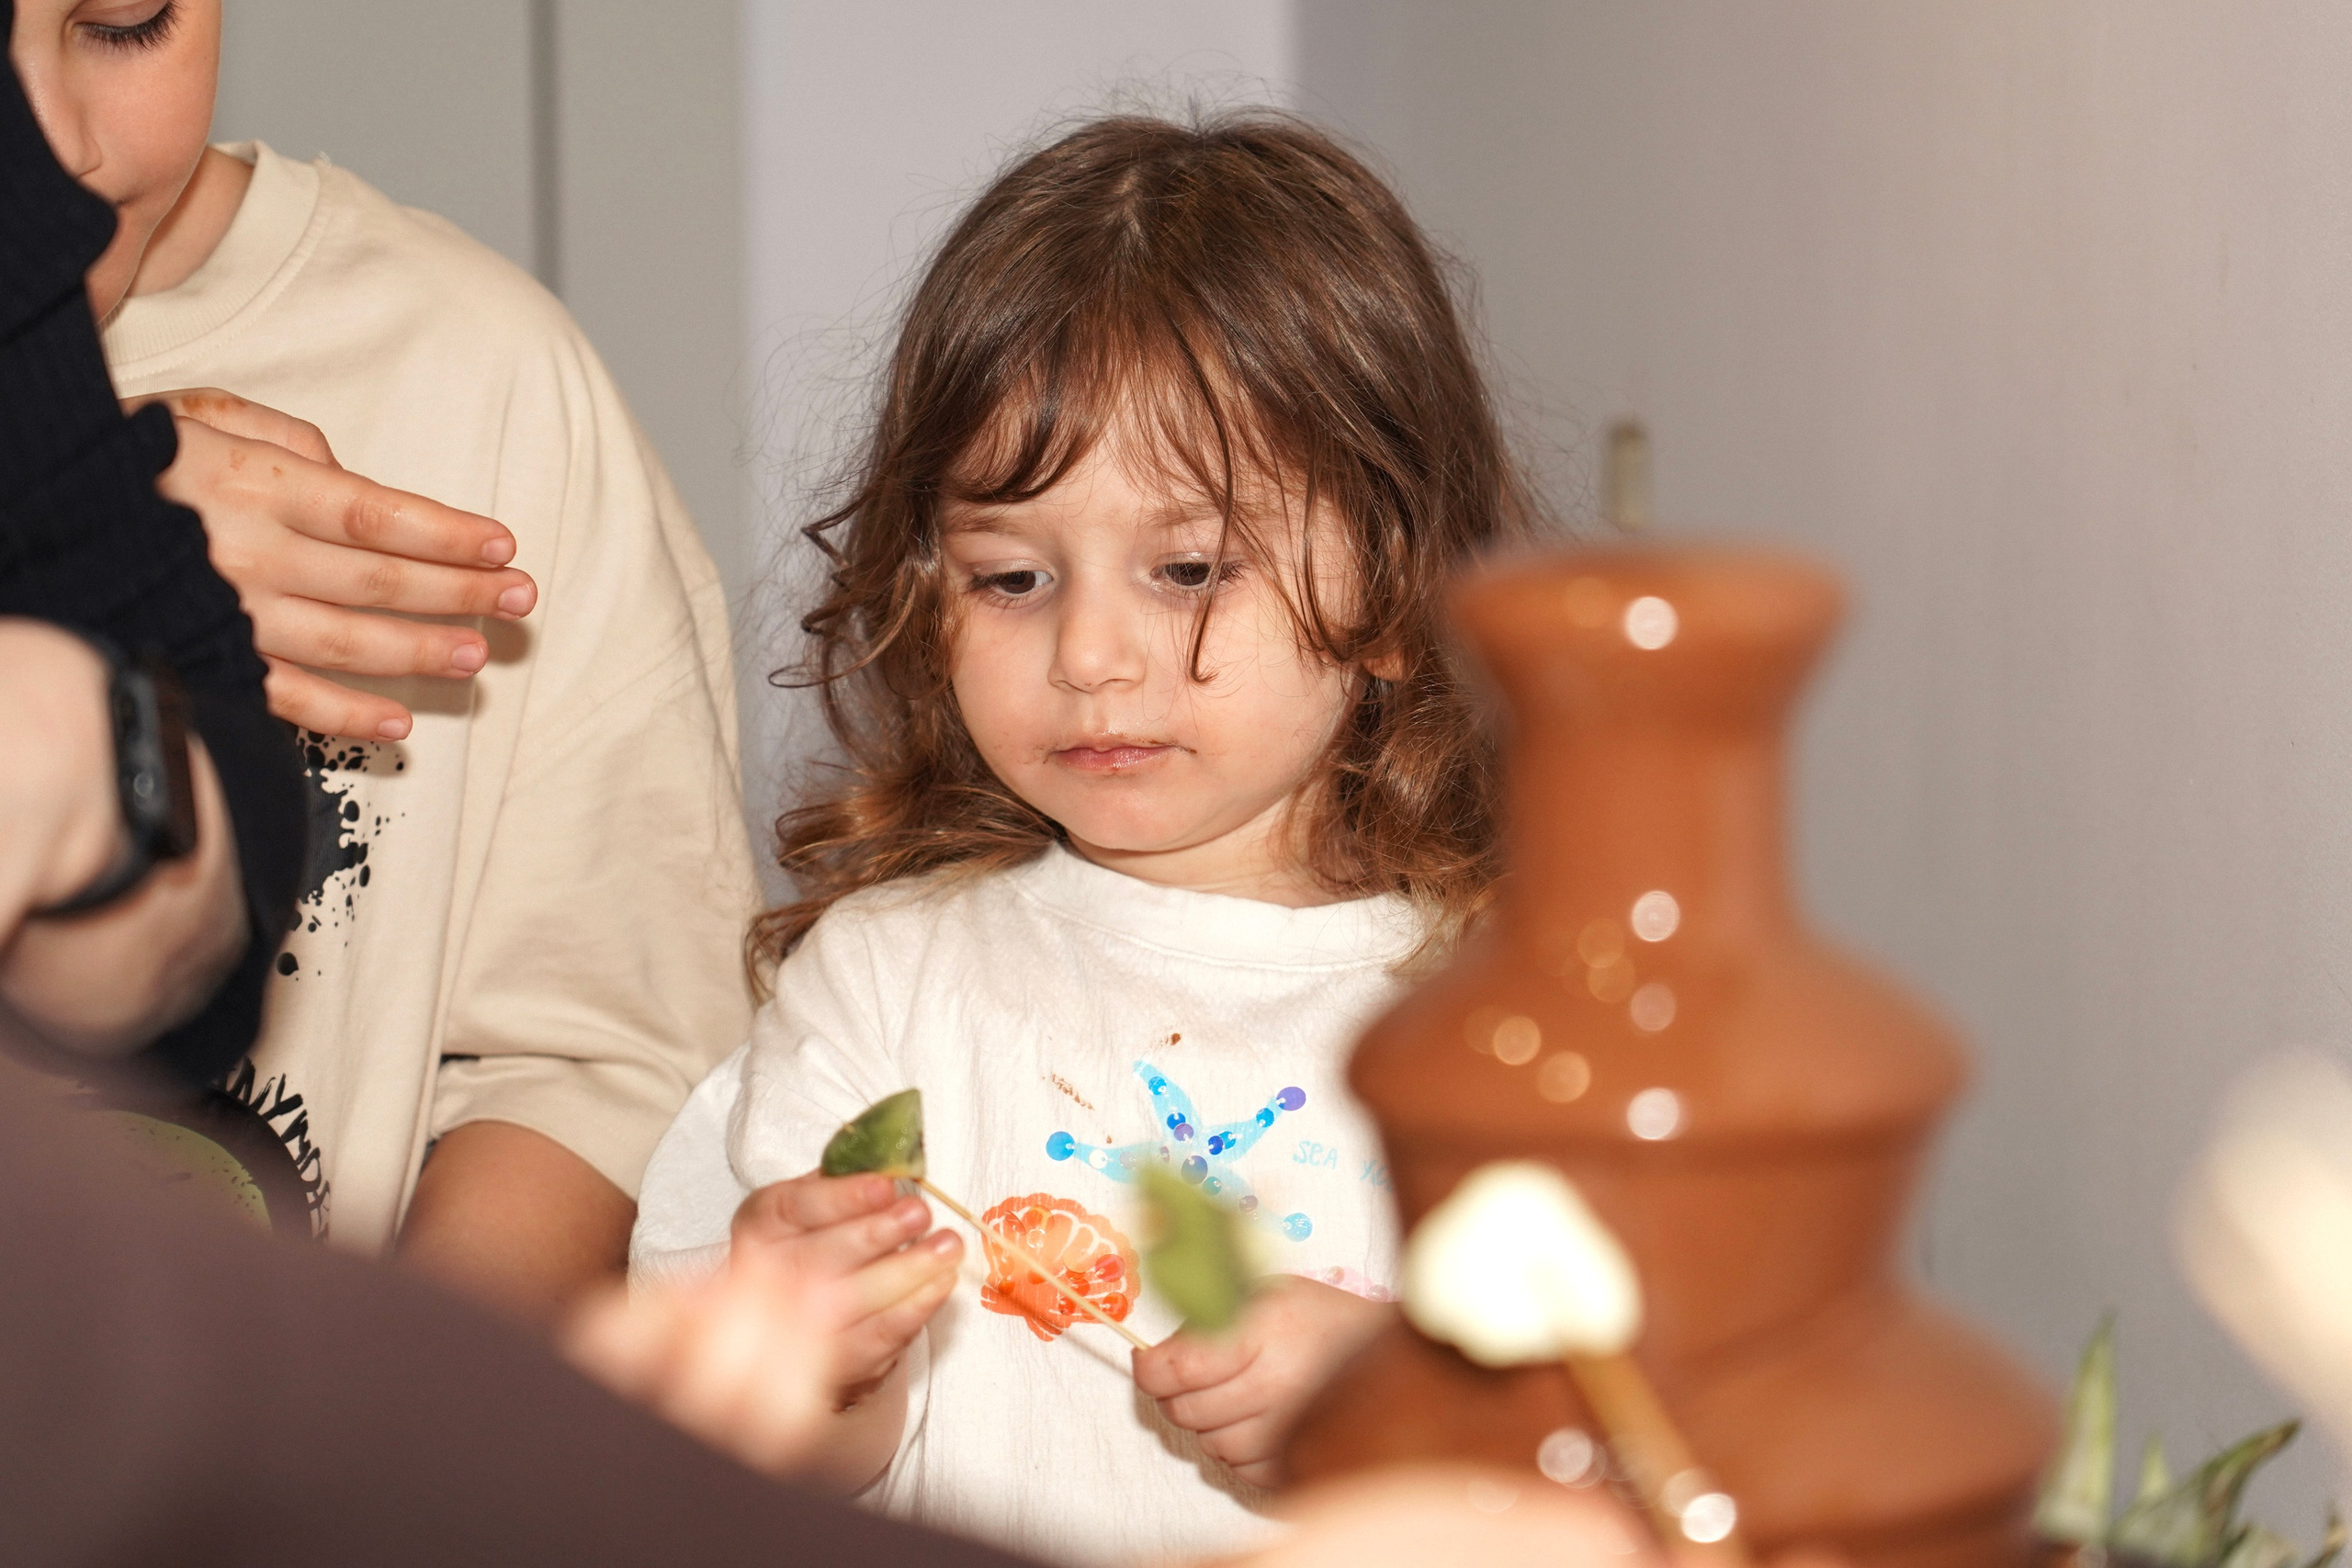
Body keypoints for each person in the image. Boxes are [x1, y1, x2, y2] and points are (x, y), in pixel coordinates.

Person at [632, 113, 1532, 1564]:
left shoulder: (1510, 1020)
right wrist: (810, 1354)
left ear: (1386, 583)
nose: (1092, 655)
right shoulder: (887, 983)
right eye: (1011, 576)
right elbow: (782, 1470)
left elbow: (1634, 1450)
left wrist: (1402, 1404)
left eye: (1186, 568)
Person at [7, 0, 761, 1324]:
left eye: (126, 23)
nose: (57, 143)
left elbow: (597, 1059)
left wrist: (344, 1469)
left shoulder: (479, 371)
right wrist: (80, 527)